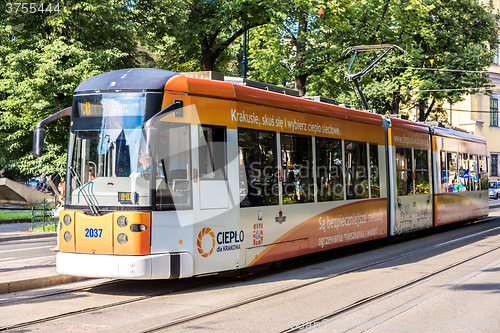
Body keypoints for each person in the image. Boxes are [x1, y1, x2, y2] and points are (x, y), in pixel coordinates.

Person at [51, 181, 65, 252]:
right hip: (61, 215)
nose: (58, 188)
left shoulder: (66, 195)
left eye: (60, 186)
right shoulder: (61, 195)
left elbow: (67, 204)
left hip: (65, 216)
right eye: (58, 186)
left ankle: (60, 246)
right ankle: (58, 245)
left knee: (61, 230)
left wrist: (60, 201)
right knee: (59, 230)